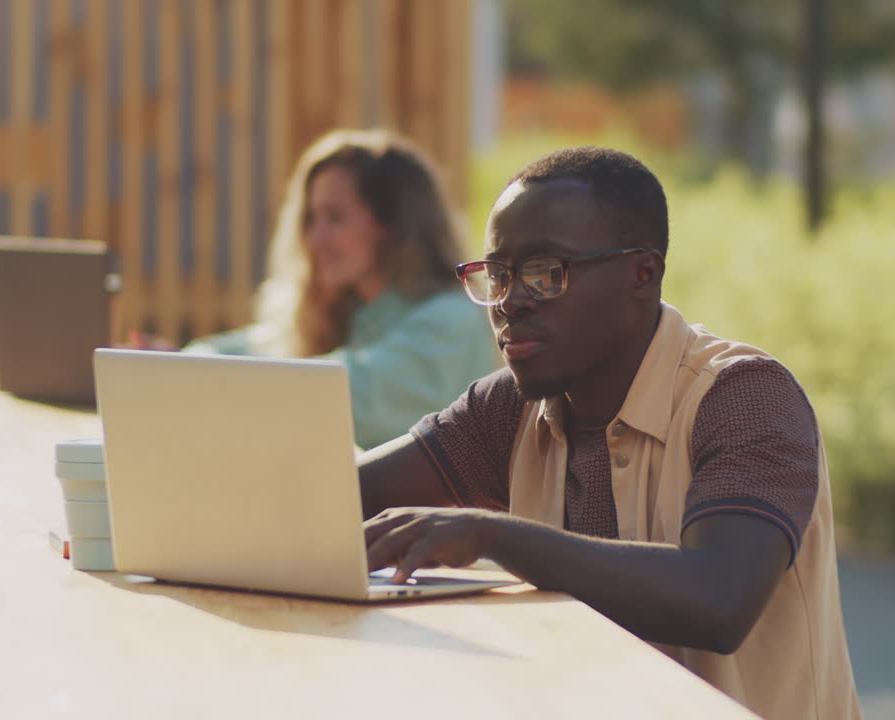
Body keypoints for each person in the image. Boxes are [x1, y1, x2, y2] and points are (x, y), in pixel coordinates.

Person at [358, 147, 861, 719]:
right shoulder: (510, 408)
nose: (511, 301)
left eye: (547, 273)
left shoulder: (745, 398)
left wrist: (491, 537)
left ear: (641, 274)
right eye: (498, 274)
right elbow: (342, 496)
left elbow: (718, 600)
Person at [180, 129, 498, 450]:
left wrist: (194, 378)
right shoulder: (351, 313)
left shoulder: (451, 322)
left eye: (334, 217)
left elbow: (329, 394)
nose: (315, 239)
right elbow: (251, 349)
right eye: (311, 219)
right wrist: (177, 365)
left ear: (393, 226)